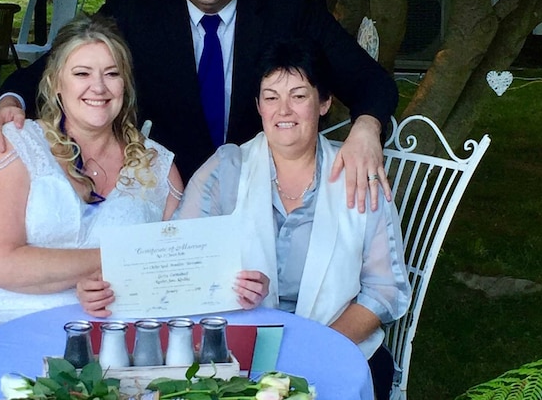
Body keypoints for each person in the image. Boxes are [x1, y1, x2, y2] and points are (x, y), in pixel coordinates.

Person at [0, 0, 398, 212]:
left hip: (265, 200)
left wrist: (366, 129)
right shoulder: (136, 4)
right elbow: (55, 68)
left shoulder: (287, 4)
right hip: (166, 202)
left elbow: (371, 82)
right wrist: (9, 102)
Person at [0, 15, 183, 400]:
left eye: (111, 74)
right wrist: (113, 259)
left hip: (106, 323)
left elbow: (178, 267)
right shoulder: (16, 145)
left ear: (125, 85)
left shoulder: (158, 168)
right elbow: (3, 264)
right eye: (82, 73)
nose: (98, 87)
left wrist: (127, 281)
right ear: (55, 84)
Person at [168, 38, 410, 399]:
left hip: (339, 342)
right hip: (237, 350)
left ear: (324, 102)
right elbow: (181, 262)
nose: (284, 111)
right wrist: (228, 286)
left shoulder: (358, 174)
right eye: (271, 97)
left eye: (298, 96)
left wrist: (320, 345)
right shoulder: (225, 169)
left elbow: (385, 289)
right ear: (258, 106)